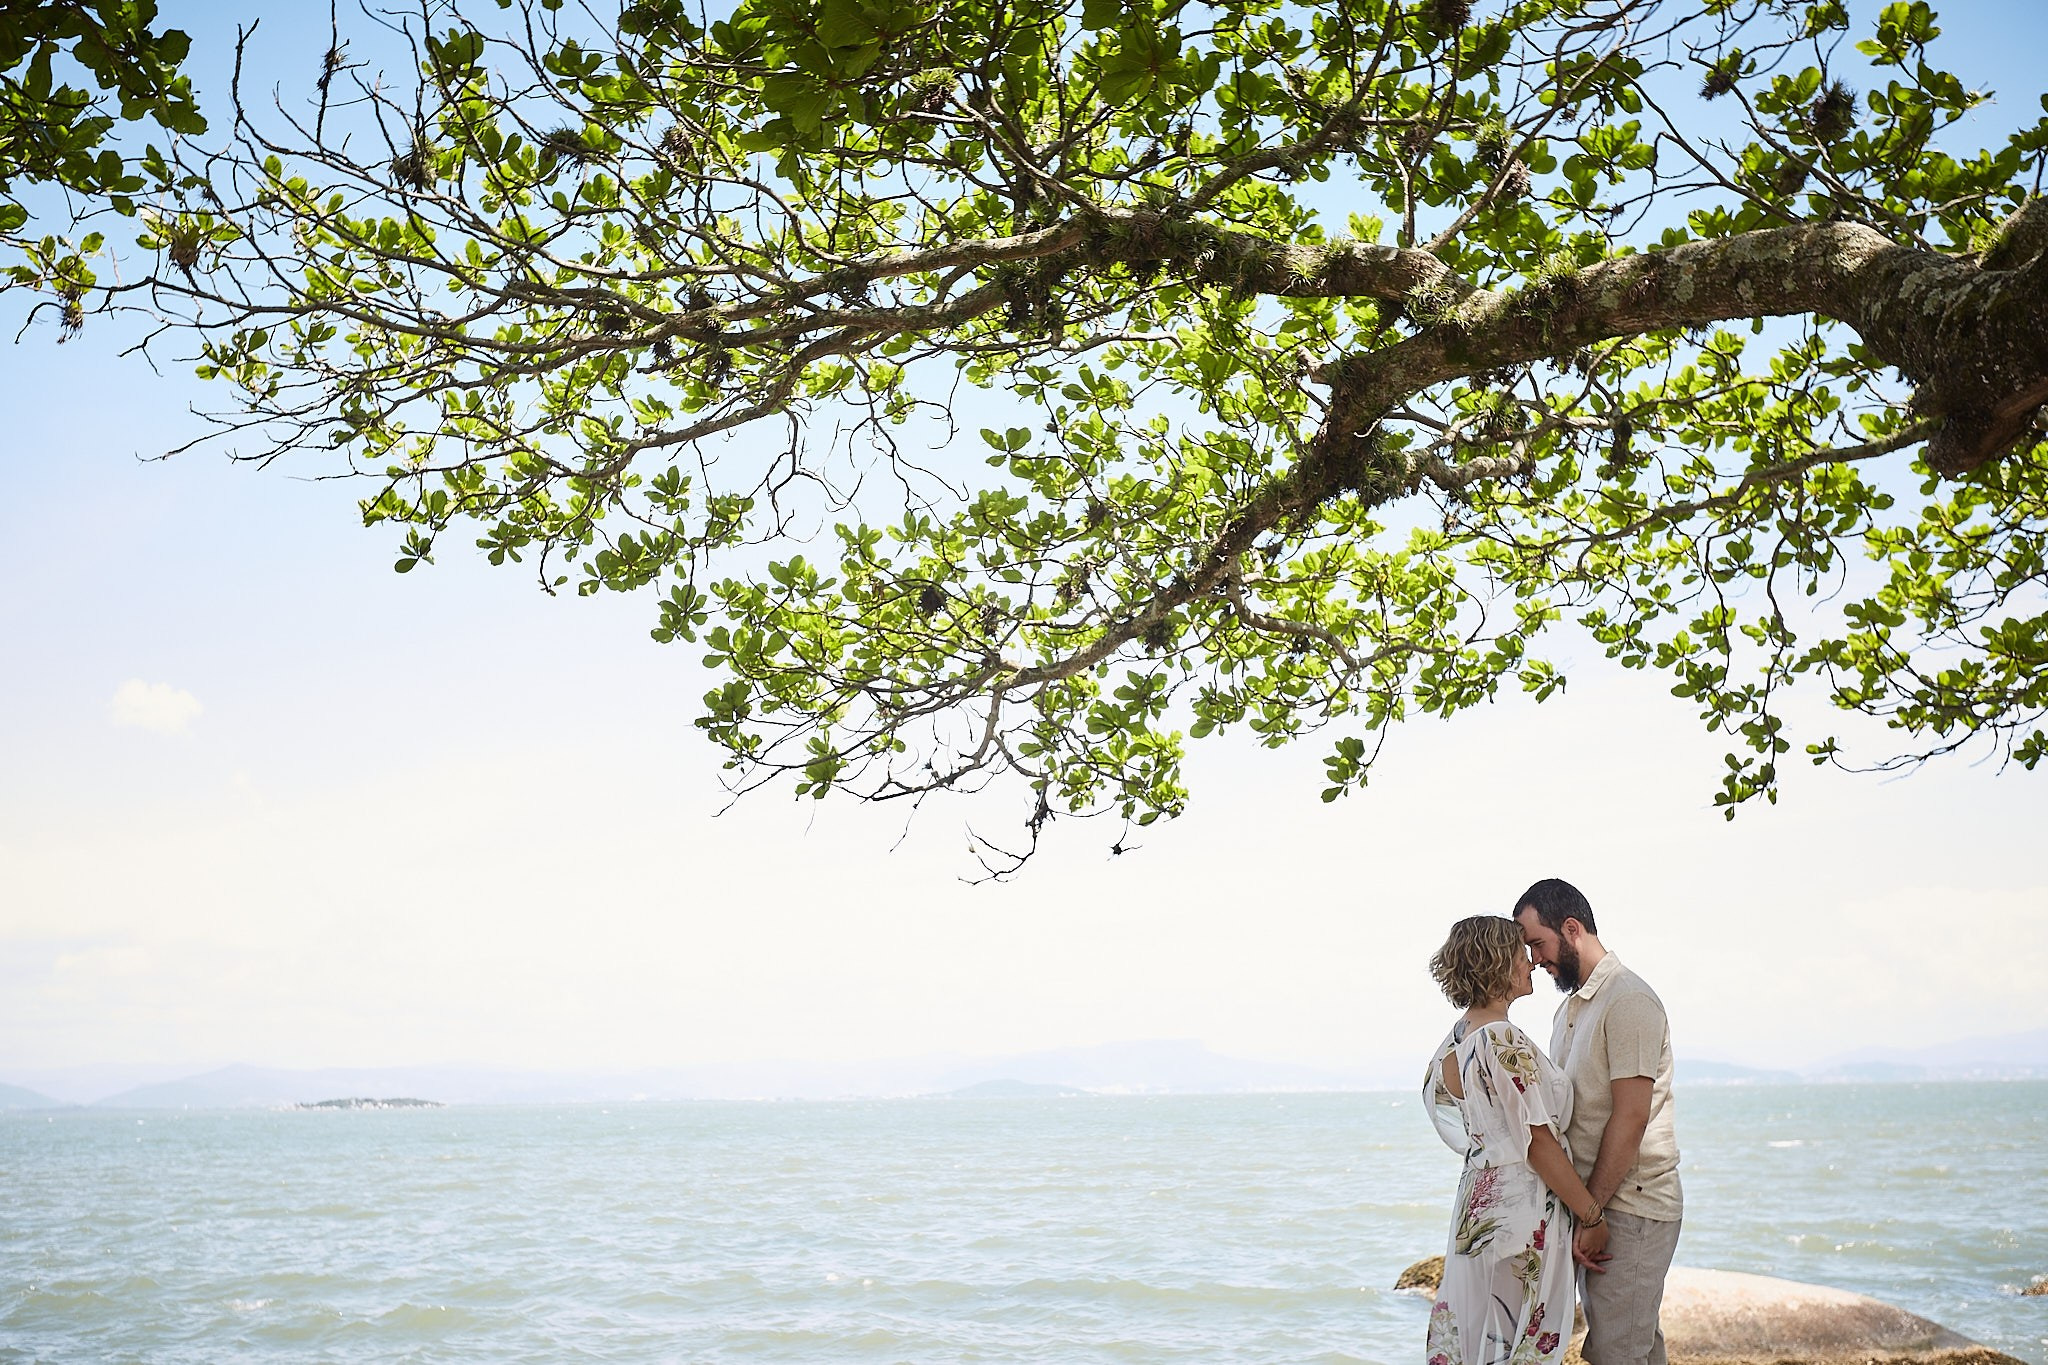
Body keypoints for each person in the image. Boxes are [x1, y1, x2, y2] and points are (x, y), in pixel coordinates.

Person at [1513, 878, 1682, 1365]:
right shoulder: (1570, 1008)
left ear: (1571, 929)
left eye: (1538, 944)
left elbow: (1631, 1118)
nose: (1534, 960)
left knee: (1615, 1352)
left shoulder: (1628, 1000)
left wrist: (1593, 1214)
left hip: (1631, 1207)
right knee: (1636, 1346)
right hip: (1601, 1206)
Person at [1425, 915, 1605, 1365]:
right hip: (1523, 1210)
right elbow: (1537, 1143)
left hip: (1476, 1209)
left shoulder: (1452, 1043)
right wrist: (1591, 1212)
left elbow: (1473, 1132)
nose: (1530, 961)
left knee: (1480, 1341)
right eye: (1519, 953)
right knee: (1521, 1342)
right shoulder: (1501, 1038)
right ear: (1498, 963)